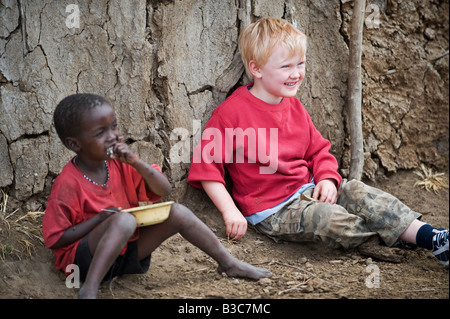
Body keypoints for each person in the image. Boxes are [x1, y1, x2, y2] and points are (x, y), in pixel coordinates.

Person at [187, 17, 449, 266]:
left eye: (300, 64)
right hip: (273, 211)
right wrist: (230, 211)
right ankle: (390, 237)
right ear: (256, 69)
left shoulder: (294, 106)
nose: (296, 74)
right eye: (286, 66)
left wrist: (325, 178)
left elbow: (318, 150)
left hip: (310, 188)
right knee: (329, 219)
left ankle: (433, 238)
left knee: (357, 191)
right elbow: (206, 165)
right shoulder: (231, 113)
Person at [42, 93, 272, 299]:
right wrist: (99, 220)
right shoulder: (69, 183)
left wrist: (135, 161)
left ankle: (229, 263)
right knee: (124, 220)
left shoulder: (120, 165)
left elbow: (164, 190)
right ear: (74, 144)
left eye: (114, 126)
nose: (113, 136)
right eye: (101, 133)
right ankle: (89, 290)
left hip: (122, 256)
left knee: (177, 212)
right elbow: (56, 238)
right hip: (82, 264)